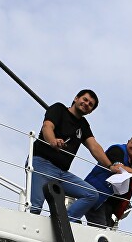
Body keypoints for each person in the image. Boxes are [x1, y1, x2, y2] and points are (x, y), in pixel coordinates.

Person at [28, 89, 113, 221]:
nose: (86, 104)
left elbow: (94, 146)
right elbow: (47, 127)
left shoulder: (83, 125)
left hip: (62, 173)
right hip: (42, 164)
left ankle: (62, 221)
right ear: (76, 98)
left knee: (91, 194)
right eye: (85, 100)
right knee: (34, 208)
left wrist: (110, 166)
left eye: (90, 104)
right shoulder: (59, 109)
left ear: (90, 111)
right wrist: (53, 141)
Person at [83, 133, 132, 227]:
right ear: (128, 142)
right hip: (96, 196)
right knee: (100, 232)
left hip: (110, 204)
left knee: (106, 233)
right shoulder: (117, 150)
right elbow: (120, 169)